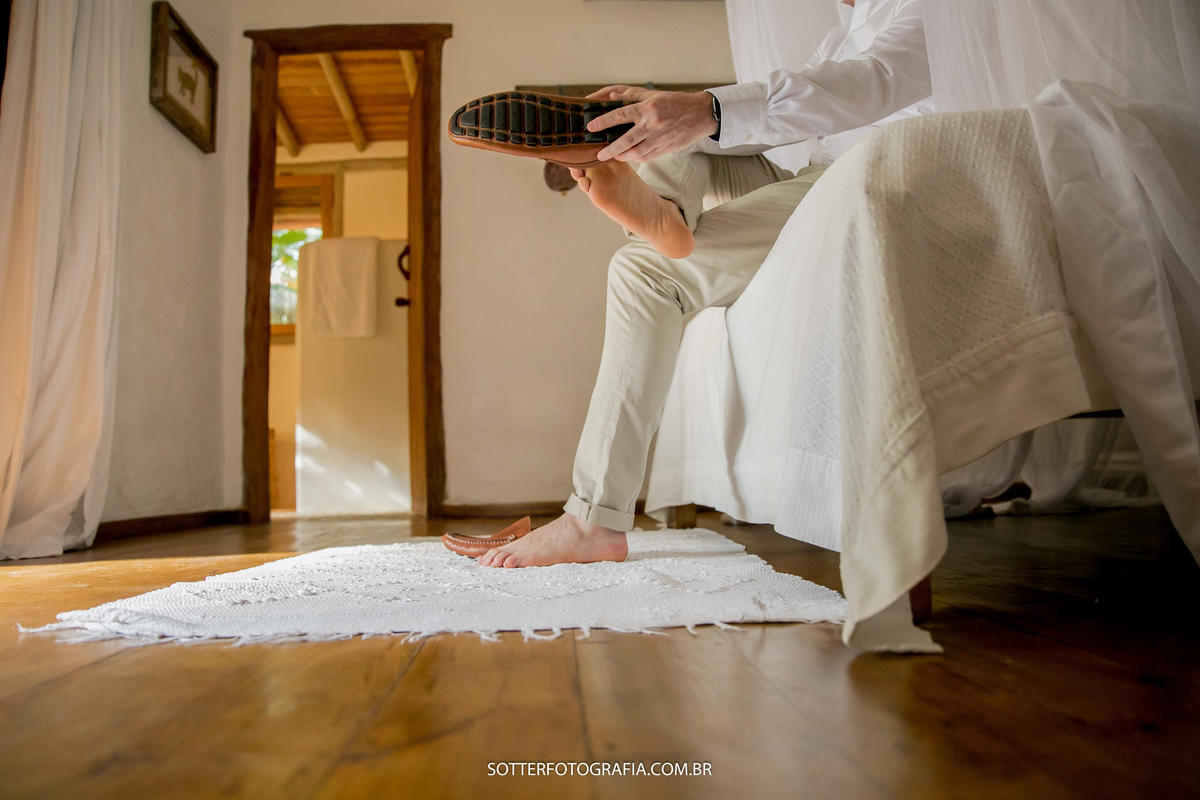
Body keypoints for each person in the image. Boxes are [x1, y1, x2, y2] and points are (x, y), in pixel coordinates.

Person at [479, 0, 934, 568]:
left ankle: (594, 520)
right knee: (683, 139)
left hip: (871, 179)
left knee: (642, 272)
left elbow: (872, 82)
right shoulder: (853, 25)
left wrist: (706, 108)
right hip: (816, 174)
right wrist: (667, 119)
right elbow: (804, 107)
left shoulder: (938, 12)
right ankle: (661, 209)